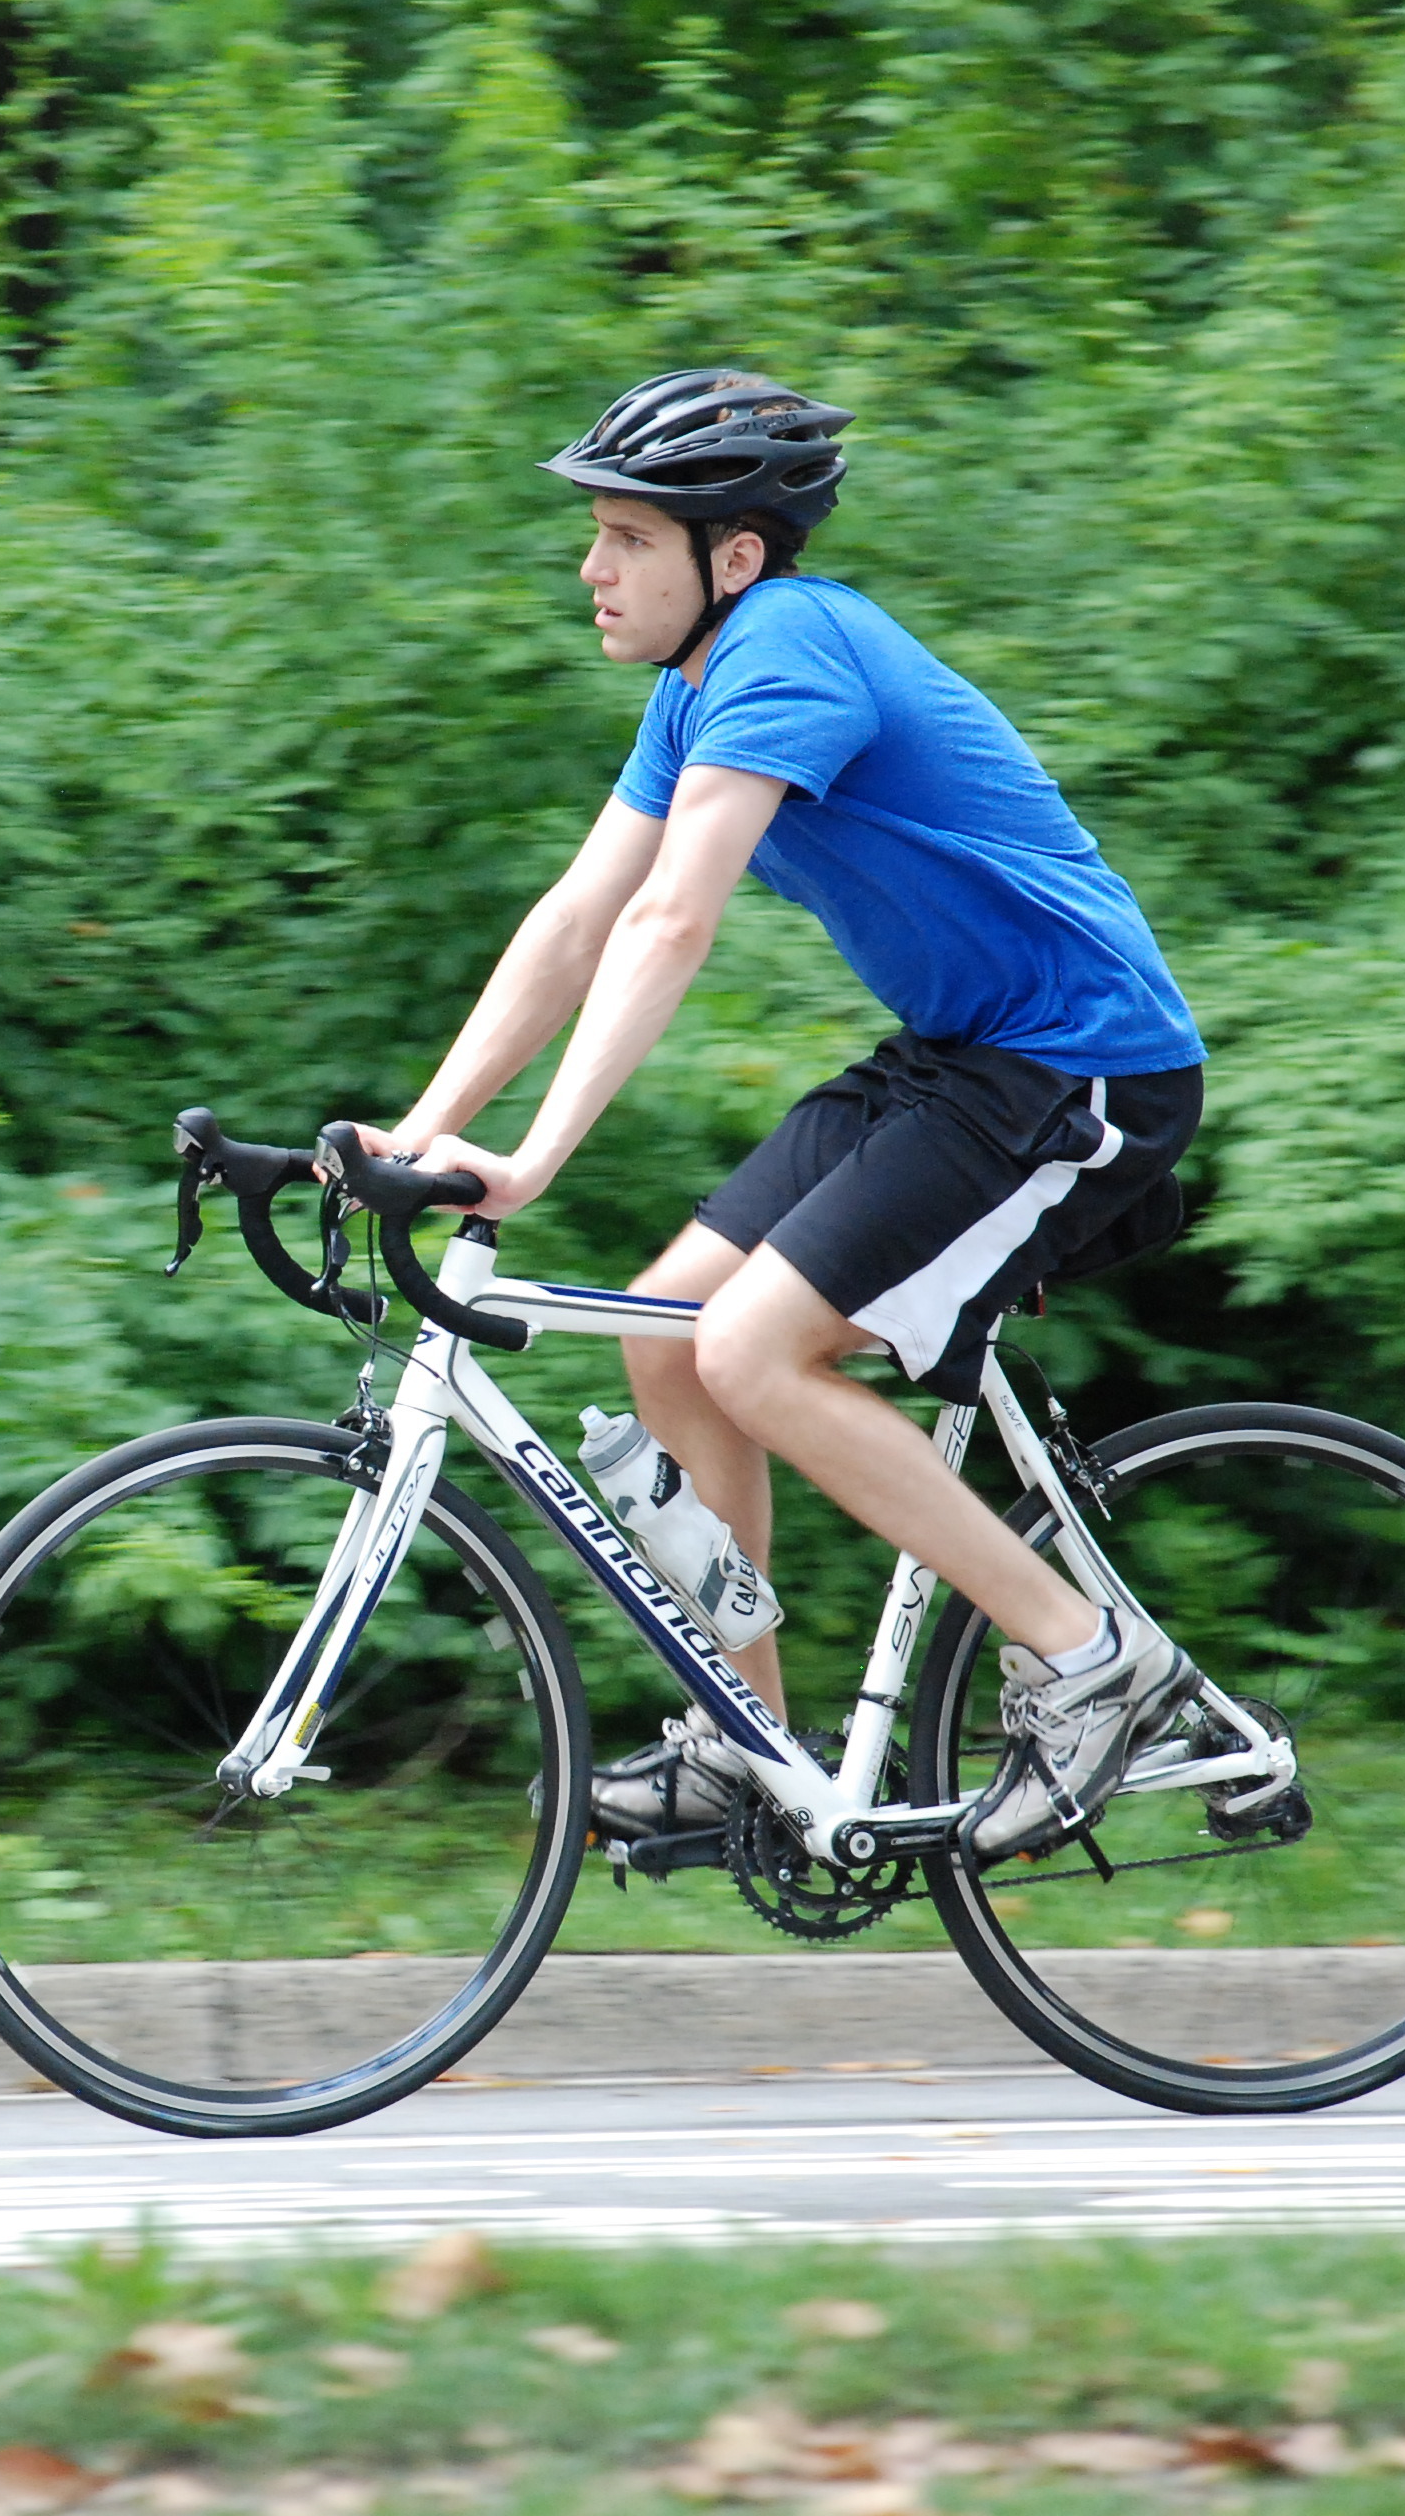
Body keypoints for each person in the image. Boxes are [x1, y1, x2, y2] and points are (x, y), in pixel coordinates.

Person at [365, 368, 1207, 1865]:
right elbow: (578, 918)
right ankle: (749, 1743)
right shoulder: (692, 691)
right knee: (662, 1335)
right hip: (956, 1056)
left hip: (1081, 1066)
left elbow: (672, 920)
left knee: (748, 1348)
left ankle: (1093, 1665)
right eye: (599, 535)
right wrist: (424, 1133)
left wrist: (534, 1158)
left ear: (734, 555)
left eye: (629, 538)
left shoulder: (790, 646)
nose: (593, 567)